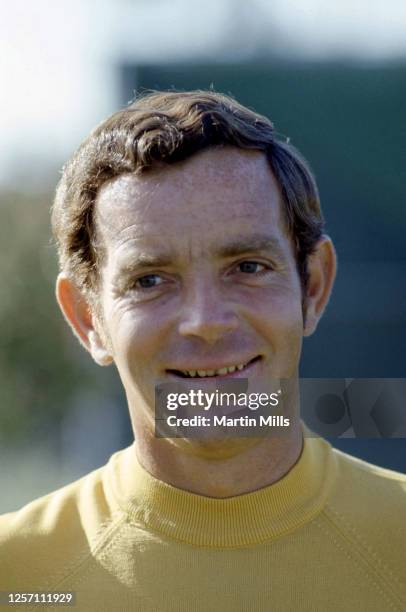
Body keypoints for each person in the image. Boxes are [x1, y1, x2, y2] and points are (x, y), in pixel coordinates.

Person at [0, 90, 405, 611]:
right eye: (149, 280)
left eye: (248, 268)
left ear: (313, 286)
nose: (206, 323)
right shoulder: (16, 576)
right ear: (87, 319)